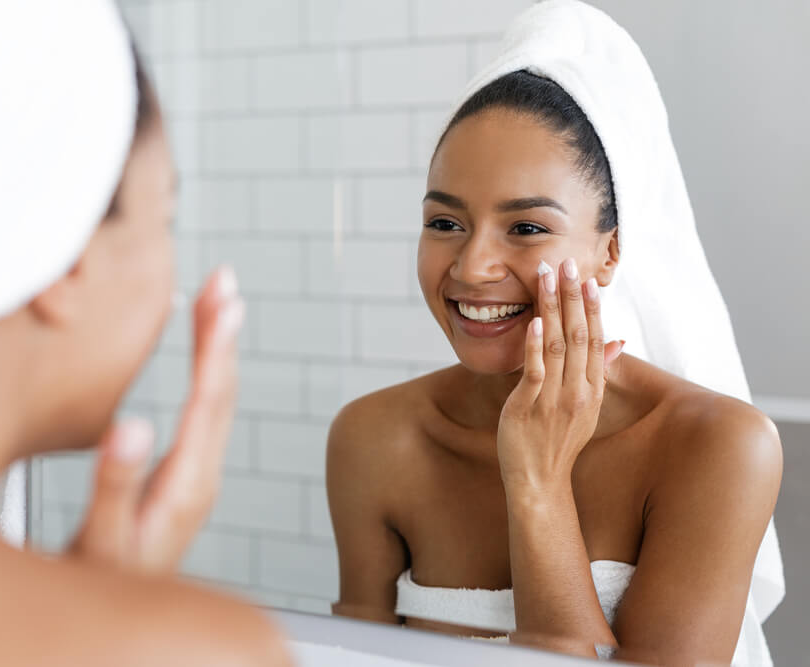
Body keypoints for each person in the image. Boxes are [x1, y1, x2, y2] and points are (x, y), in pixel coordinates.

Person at [0, 2, 290, 665]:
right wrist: (117, 625)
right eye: (165, 218)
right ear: (62, 260)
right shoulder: (193, 651)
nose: (173, 293)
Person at [326, 2, 784, 665]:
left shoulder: (719, 447)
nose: (472, 266)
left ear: (610, 253)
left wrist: (537, 483)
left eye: (527, 227)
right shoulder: (373, 439)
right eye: (445, 222)